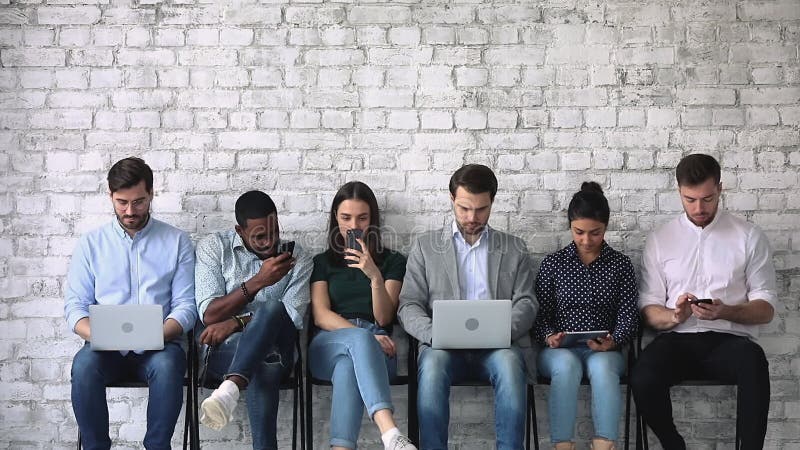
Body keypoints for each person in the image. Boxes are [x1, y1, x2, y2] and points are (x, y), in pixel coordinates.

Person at [631, 153, 778, 450]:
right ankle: (674, 445)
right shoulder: (661, 239)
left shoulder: (748, 236)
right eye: (690, 199)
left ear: (720, 189)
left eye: (708, 199)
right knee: (642, 374)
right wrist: (675, 316)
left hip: (729, 341)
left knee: (754, 364)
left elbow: (766, 308)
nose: (699, 208)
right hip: (677, 340)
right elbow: (648, 309)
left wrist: (729, 311)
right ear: (679, 192)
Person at [398, 164, 538, 450]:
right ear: (452, 199)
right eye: (464, 208)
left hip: (499, 347)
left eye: (481, 209)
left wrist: (502, 330)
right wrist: (435, 334)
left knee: (511, 365)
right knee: (433, 366)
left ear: (492, 202)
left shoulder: (514, 248)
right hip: (443, 348)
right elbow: (408, 304)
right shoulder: (426, 247)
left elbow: (527, 301)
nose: (472, 217)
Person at [65, 157, 197, 450]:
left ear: (151, 194)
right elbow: (75, 308)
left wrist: (155, 334)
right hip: (104, 350)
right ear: (110, 196)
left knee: (168, 364)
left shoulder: (177, 241)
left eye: (138, 202)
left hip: (160, 347)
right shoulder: (91, 244)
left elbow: (186, 306)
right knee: (83, 365)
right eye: (121, 202)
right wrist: (101, 335)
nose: (130, 211)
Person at [194, 190, 312, 450]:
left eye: (274, 231)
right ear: (240, 231)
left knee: (273, 309)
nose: (270, 242)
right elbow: (209, 314)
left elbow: (292, 315)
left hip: (281, 350)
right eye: (260, 236)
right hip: (225, 351)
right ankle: (233, 387)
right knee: (264, 360)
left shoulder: (297, 257)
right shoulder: (215, 248)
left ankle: (230, 388)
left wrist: (236, 322)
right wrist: (259, 281)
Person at [308, 181, 417, 450]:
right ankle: (390, 433)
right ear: (335, 218)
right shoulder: (322, 262)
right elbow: (321, 315)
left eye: (362, 218)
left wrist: (374, 276)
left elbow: (384, 319)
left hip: (379, 348)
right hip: (329, 342)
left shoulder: (393, 261)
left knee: (348, 366)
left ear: (373, 220)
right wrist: (365, 336)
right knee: (357, 343)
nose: (353, 225)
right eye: (346, 218)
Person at [534, 182, 639, 450]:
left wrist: (613, 340)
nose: (586, 240)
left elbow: (629, 316)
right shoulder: (553, 264)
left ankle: (605, 445)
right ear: (570, 226)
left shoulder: (620, 265)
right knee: (566, 367)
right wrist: (549, 336)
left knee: (603, 370)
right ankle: (562, 445)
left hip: (605, 350)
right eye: (579, 232)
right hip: (559, 350)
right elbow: (539, 315)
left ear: (606, 227)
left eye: (595, 233)